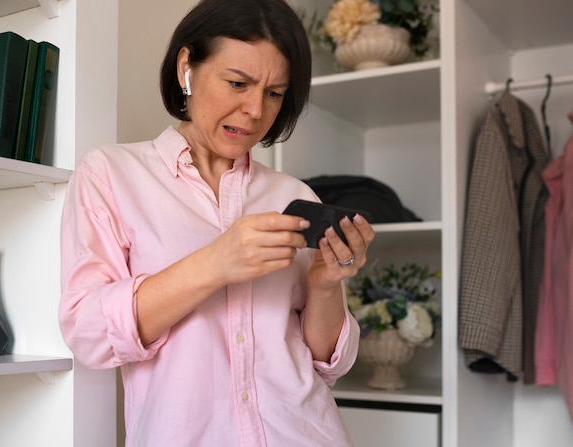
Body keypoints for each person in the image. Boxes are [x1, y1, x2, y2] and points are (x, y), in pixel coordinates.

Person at [59, 0, 375, 445]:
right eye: (237, 83)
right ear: (187, 67)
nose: (254, 110)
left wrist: (326, 284)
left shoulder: (295, 196)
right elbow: (88, 334)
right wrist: (215, 263)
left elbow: (327, 363)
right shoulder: (111, 175)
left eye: (274, 93)